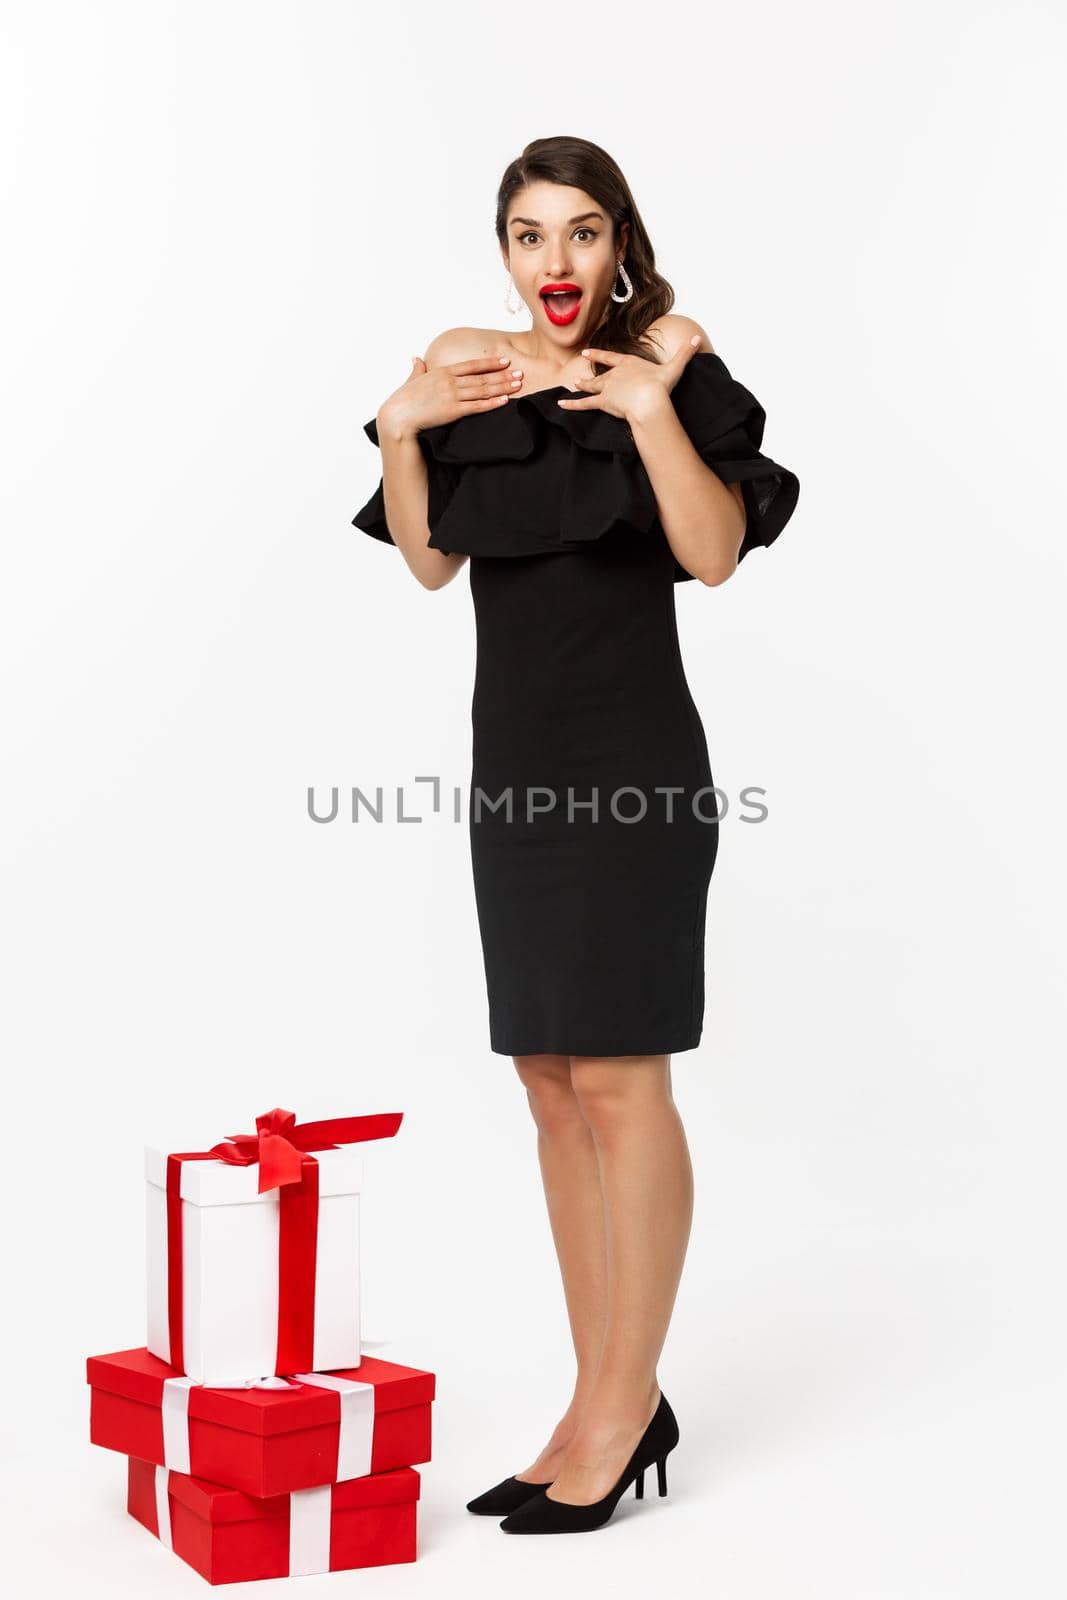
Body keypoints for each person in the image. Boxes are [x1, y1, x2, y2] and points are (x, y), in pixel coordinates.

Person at [351, 135, 800, 1535]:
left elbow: (716, 552)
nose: (557, 262)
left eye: (584, 233)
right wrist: (402, 422)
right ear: (505, 250)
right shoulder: (467, 364)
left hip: (633, 772)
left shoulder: (669, 363)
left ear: (620, 245)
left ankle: (624, 1407)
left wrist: (658, 407)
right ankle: (596, 1398)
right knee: (549, 1080)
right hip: (517, 778)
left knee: (620, 1082)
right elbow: (429, 562)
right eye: (532, 235)